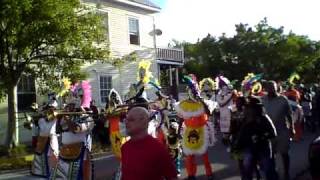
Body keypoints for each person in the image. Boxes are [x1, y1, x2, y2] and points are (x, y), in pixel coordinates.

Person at [121, 107, 178, 180]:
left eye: (131, 119)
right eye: (126, 119)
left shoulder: (157, 148)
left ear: (144, 122)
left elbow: (172, 176)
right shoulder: (125, 147)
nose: (126, 122)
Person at [232, 96, 278, 180]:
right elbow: (242, 133)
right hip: (249, 148)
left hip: (263, 147)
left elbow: (273, 133)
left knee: (269, 169)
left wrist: (261, 136)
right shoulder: (245, 119)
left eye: (250, 108)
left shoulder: (264, 118)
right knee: (247, 170)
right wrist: (237, 145)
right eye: (248, 107)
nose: (248, 110)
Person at [262, 81, 295, 180]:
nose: (271, 89)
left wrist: (292, 128)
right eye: (269, 87)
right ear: (266, 89)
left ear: (276, 88)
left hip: (282, 131)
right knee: (271, 154)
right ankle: (273, 173)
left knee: (284, 153)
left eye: (273, 87)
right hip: (269, 133)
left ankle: (286, 173)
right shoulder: (263, 100)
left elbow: (289, 114)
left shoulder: (283, 99)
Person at [31, 95, 59, 178]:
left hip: (51, 139)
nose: (51, 109)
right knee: (42, 161)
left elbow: (50, 119)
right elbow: (38, 127)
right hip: (42, 140)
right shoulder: (41, 119)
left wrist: (44, 114)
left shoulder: (55, 116)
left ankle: (53, 175)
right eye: (49, 107)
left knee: (53, 159)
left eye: (52, 108)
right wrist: (40, 115)